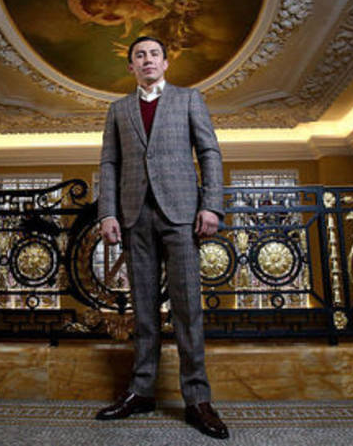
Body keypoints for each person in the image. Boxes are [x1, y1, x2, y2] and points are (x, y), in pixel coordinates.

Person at [95, 36, 228, 439]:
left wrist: (211, 205)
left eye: (154, 54)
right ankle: (141, 391)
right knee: (144, 310)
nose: (147, 60)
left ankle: (197, 399)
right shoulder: (118, 110)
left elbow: (209, 152)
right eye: (140, 55)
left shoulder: (189, 99)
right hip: (135, 216)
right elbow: (109, 162)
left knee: (187, 308)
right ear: (131, 66)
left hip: (182, 214)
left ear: (165, 63)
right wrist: (108, 212)